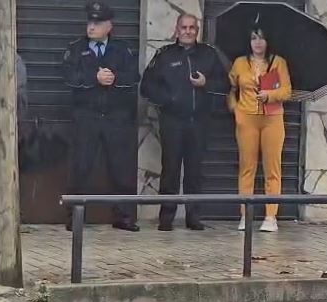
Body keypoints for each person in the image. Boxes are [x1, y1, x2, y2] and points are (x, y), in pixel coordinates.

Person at [141, 14, 229, 232]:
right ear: (177, 29)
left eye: (192, 28)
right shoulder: (164, 55)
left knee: (195, 172)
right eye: (184, 27)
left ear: (197, 30)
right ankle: (166, 218)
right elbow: (147, 86)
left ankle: (193, 217)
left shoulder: (209, 54)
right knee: (170, 171)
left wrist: (206, 83)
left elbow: (225, 84)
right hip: (172, 122)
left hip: (199, 122)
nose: (188, 31)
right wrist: (168, 100)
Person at [62, 1, 141, 232]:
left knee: (121, 168)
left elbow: (133, 77)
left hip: (116, 117)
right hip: (86, 117)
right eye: (90, 22)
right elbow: (67, 77)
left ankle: (124, 216)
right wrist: (93, 79)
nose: (91, 27)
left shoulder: (122, 49)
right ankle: (75, 217)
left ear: (109, 26)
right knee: (80, 167)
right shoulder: (75, 48)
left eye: (97, 23)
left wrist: (114, 79)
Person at [228, 21, 291, 233]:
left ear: (268, 41)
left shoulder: (278, 62)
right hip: (247, 119)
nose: (257, 42)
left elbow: (287, 91)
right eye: (254, 38)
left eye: (261, 38)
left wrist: (270, 95)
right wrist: (236, 110)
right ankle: (245, 215)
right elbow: (230, 88)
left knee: (272, 168)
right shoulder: (239, 63)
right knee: (247, 168)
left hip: (272, 118)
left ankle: (271, 216)